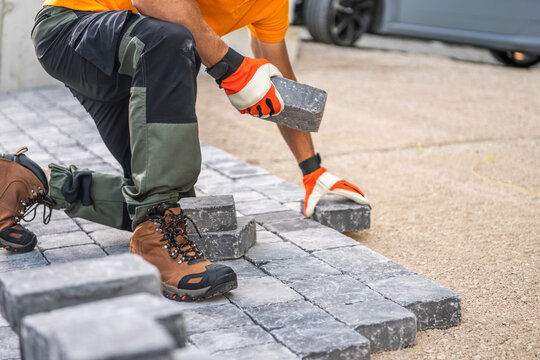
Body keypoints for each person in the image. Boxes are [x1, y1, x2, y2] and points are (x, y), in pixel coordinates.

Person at [0, 0, 369, 301]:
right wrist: (230, 66)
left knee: (172, 203)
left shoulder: (272, 5)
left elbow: (281, 88)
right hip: (73, 28)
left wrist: (311, 170)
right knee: (172, 40)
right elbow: (153, 1)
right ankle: (152, 242)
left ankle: (29, 181)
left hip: (132, 57)